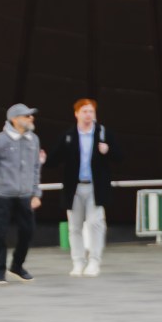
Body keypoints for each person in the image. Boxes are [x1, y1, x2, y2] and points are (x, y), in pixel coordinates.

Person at [0, 103, 44, 284]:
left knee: (28, 231)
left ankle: (17, 265)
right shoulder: (0, 140)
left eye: (31, 115)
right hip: (3, 195)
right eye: (26, 115)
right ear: (14, 119)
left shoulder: (33, 139)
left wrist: (36, 193)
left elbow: (36, 168)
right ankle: (0, 270)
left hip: (25, 195)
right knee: (0, 233)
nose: (31, 118)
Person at [53, 99, 114, 277]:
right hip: (75, 188)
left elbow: (120, 156)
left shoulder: (102, 133)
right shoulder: (69, 135)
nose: (88, 115)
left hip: (95, 187)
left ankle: (94, 261)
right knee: (74, 227)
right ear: (77, 114)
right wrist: (43, 160)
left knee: (95, 223)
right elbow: (55, 158)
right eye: (85, 111)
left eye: (91, 111)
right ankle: (78, 262)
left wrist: (107, 150)